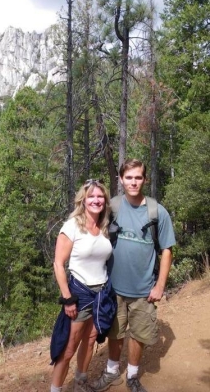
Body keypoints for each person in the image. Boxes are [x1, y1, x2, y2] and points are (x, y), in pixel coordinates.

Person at [93, 159, 176, 392]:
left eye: (138, 177)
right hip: (114, 287)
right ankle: (111, 372)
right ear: (120, 180)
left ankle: (132, 376)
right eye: (128, 177)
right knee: (115, 333)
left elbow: (167, 250)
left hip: (144, 290)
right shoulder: (113, 207)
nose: (133, 182)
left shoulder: (157, 211)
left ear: (145, 179)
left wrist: (160, 285)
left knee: (138, 335)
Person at [50, 179, 116, 392]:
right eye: (91, 196)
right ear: (83, 200)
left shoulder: (105, 225)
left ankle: (80, 384)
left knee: (90, 341)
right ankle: (56, 389)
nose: (96, 200)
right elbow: (59, 264)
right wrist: (67, 298)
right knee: (68, 349)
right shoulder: (72, 226)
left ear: (105, 201)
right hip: (80, 293)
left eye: (100, 197)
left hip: (102, 293)